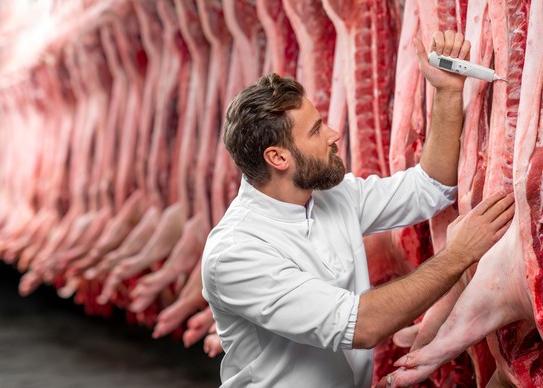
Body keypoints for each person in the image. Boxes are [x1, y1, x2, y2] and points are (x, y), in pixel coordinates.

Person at [201, 31, 515, 387]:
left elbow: (429, 187)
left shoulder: (330, 196)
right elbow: (361, 326)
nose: (335, 134)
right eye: (317, 130)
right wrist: (459, 254)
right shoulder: (235, 253)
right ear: (278, 158)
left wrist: (446, 92)